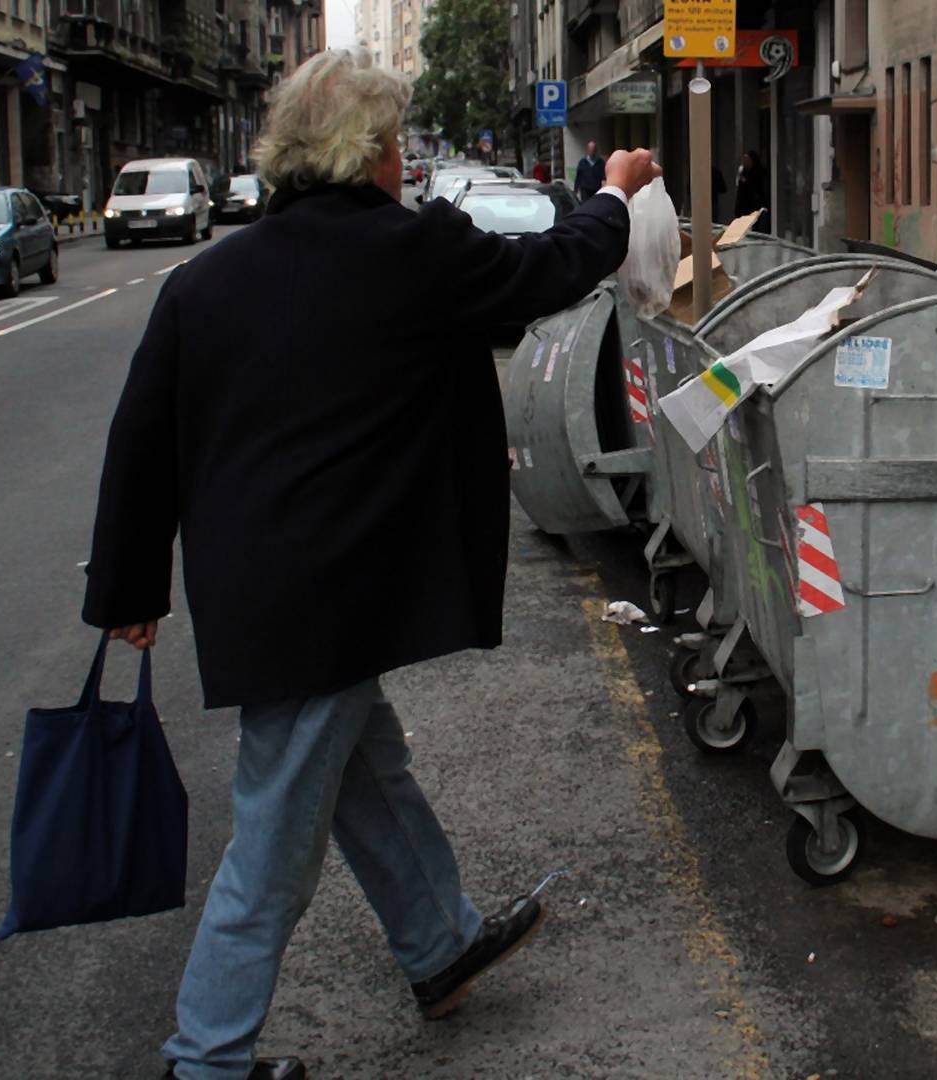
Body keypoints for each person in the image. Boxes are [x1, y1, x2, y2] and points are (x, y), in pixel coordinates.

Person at [80, 47, 661, 1080]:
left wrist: (130, 589)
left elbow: (144, 439)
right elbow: (548, 271)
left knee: (365, 767)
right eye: (394, 142)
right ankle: (205, 1058)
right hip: (334, 599)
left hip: (265, 595)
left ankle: (440, 943)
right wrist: (610, 196)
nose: (402, 161)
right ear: (369, 155)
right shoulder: (410, 252)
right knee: (273, 842)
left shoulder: (205, 281)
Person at [734, 149, 770, 233]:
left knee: (756, 228)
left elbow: (758, 188)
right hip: (744, 206)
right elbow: (740, 192)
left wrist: (746, 182)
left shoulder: (759, 173)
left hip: (755, 205)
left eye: (747, 159)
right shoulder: (743, 172)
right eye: (744, 159)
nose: (745, 161)